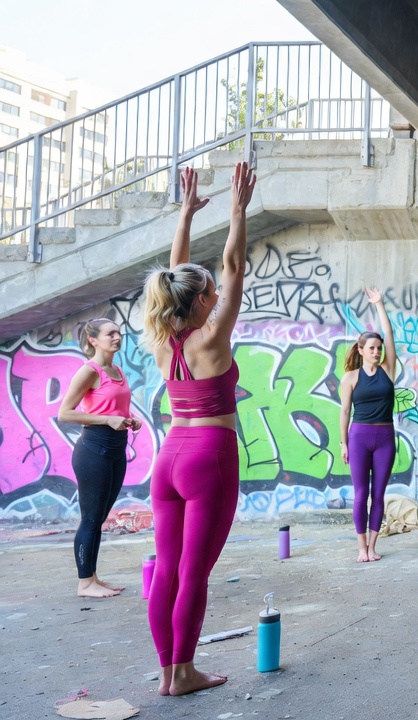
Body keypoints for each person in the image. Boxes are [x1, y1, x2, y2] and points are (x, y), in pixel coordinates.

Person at [142, 163, 253, 696]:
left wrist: (184, 215)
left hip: (168, 457)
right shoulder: (212, 337)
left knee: (168, 567)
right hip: (209, 456)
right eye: (211, 289)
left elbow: (176, 272)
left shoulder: (167, 338)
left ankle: (169, 672)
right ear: (204, 299)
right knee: (194, 572)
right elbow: (233, 264)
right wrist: (237, 209)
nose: (218, 291)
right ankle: (184, 671)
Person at [57, 318, 142, 598]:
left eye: (118, 332)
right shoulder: (89, 371)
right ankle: (84, 583)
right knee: (91, 519)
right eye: (110, 334)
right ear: (93, 340)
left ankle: (93, 578)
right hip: (93, 451)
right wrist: (108, 419)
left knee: (100, 517)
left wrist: (129, 420)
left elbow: (113, 408)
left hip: (116, 450)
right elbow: (65, 413)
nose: (117, 337)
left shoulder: (116, 369)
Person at [339, 288, 398, 563]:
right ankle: (361, 548)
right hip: (359, 436)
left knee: (379, 494)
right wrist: (343, 443)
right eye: (371, 348)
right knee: (361, 494)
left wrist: (379, 304)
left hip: (385, 436)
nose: (376, 352)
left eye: (378, 348)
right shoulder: (350, 377)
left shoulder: (388, 370)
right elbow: (345, 412)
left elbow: (390, 335)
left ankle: (373, 547)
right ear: (361, 350)